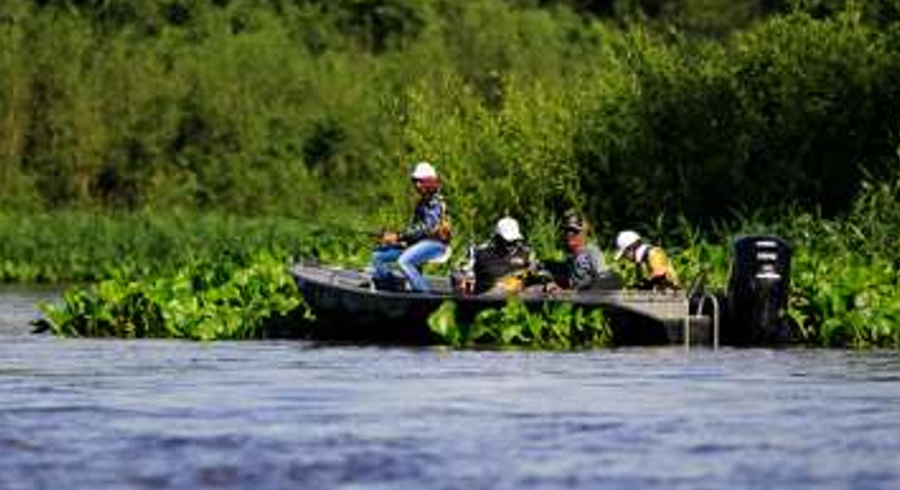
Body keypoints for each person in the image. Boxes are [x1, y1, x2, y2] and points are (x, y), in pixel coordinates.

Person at [370, 161, 452, 292]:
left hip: (436, 244)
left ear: (431, 182)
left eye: (421, 181)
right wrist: (398, 242)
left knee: (404, 261)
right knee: (377, 256)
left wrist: (398, 236)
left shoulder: (437, 202)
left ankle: (425, 297)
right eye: (415, 181)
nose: (417, 185)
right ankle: (391, 290)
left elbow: (427, 227)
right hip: (418, 243)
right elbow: (414, 230)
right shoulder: (421, 203)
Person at [455, 216, 552, 295]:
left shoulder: (526, 253)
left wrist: (545, 280)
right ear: (497, 237)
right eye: (507, 241)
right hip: (483, 299)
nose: (511, 245)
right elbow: (458, 274)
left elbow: (541, 273)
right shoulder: (478, 252)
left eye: (514, 240)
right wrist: (463, 281)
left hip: (516, 302)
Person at [546, 210, 618, 291]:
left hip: (589, 298)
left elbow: (605, 279)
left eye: (574, 231)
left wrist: (578, 289)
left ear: (583, 233)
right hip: (574, 297)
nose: (569, 234)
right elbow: (570, 281)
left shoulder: (592, 252)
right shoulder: (571, 257)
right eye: (566, 231)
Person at [613, 229, 680, 290]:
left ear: (631, 248)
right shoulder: (643, 260)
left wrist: (646, 283)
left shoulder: (654, 252)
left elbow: (660, 272)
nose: (626, 258)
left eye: (625, 255)